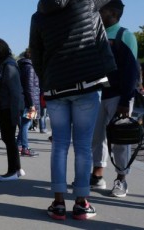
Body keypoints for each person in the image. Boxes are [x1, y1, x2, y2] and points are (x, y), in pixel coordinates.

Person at [30, 0, 116, 220]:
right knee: (83, 146)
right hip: (85, 83)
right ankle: (81, 203)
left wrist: (47, 79)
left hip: (55, 87)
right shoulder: (86, 4)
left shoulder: (38, 16)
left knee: (59, 145)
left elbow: (36, 56)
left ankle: (58, 203)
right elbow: (99, 40)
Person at [91, 0, 140, 198]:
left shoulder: (124, 36)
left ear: (112, 12)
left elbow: (131, 72)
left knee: (120, 140)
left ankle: (121, 180)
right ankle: (97, 175)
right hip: (96, 95)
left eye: (100, 10)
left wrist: (125, 100)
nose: (97, 13)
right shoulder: (96, 34)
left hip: (118, 96)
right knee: (97, 138)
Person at [0, 38, 25, 181]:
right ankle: (18, 169)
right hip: (6, 107)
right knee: (9, 139)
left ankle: (12, 171)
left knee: (8, 139)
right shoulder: (3, 65)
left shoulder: (9, 66)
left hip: (9, 108)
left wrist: (15, 115)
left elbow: (15, 93)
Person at [16, 48, 40, 157]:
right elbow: (30, 87)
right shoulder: (30, 68)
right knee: (26, 124)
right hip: (30, 101)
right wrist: (32, 105)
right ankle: (25, 147)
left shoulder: (22, 66)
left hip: (25, 100)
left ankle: (19, 145)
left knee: (26, 123)